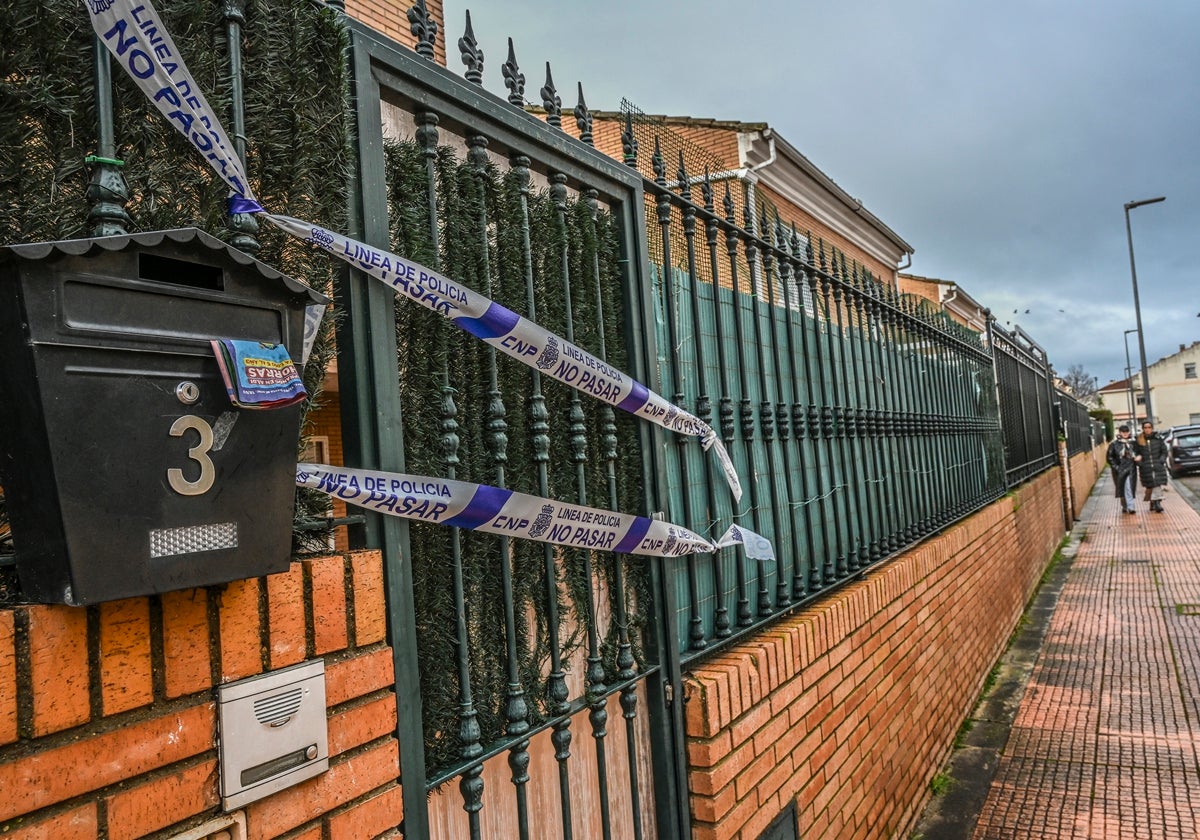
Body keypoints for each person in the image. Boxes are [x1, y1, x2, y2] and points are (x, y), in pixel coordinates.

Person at [1133, 420, 1170, 513]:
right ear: (1143, 429)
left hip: (1157, 466)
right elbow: (1135, 453)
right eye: (1145, 428)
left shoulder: (1158, 439)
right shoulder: (1139, 440)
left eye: (1149, 427)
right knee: (1150, 485)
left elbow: (1164, 451)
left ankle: (1157, 503)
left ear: (1152, 428)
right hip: (1146, 467)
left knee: (1157, 484)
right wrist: (1140, 463)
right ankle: (1152, 501)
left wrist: (1161, 460)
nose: (1147, 429)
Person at [1107, 424, 1138, 513]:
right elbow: (1109, 457)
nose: (1125, 434)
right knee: (1122, 488)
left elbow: (1138, 453)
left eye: (1126, 432)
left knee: (1129, 487)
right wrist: (1116, 467)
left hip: (1131, 468)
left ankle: (1131, 507)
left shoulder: (1133, 443)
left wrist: (1137, 458)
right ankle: (1125, 505)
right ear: (1119, 433)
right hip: (1120, 470)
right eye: (1123, 432)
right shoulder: (1114, 444)